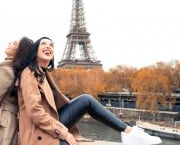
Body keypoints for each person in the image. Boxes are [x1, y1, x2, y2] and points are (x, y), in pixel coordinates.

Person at [16, 36, 162, 145]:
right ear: (35, 51)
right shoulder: (29, 73)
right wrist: (64, 133)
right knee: (85, 102)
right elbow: (34, 111)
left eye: (51, 45)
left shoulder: (43, 73)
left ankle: (128, 132)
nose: (48, 46)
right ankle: (129, 133)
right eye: (43, 43)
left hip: (50, 123)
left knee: (86, 99)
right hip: (38, 133)